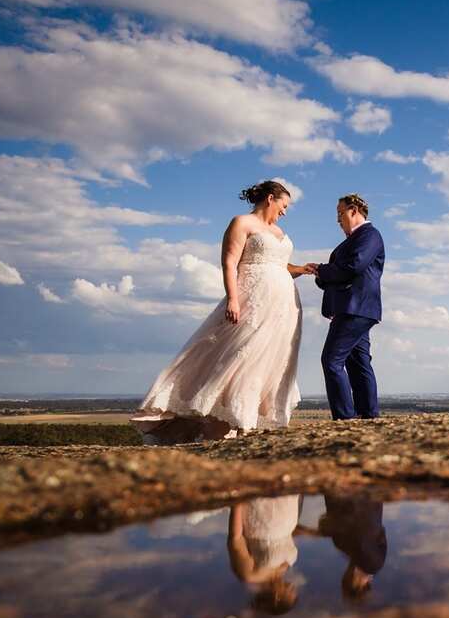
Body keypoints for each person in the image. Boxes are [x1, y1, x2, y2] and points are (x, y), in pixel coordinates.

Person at [132, 181, 316, 443]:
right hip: (251, 297)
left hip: (284, 305)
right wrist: (232, 299)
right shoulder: (242, 223)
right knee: (241, 354)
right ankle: (229, 417)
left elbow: (279, 265)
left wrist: (300, 270)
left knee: (271, 359)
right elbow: (229, 262)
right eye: (283, 206)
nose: (284, 212)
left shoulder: (278, 231)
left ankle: (250, 419)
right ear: (270, 199)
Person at [315, 193, 385, 420]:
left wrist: (323, 271)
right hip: (354, 308)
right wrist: (323, 273)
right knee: (358, 362)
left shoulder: (370, 235)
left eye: (340, 213)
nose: (338, 219)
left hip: (356, 308)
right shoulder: (353, 241)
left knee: (332, 360)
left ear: (354, 210)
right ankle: (368, 415)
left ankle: (345, 419)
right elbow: (340, 270)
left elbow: (353, 265)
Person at [225, 496, 304, 615]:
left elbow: (236, 540)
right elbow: (290, 536)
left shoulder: (250, 575)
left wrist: (237, 501)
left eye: (291, 593)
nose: (293, 588)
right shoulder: (283, 570)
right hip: (288, 504)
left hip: (261, 513)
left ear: (277, 598)